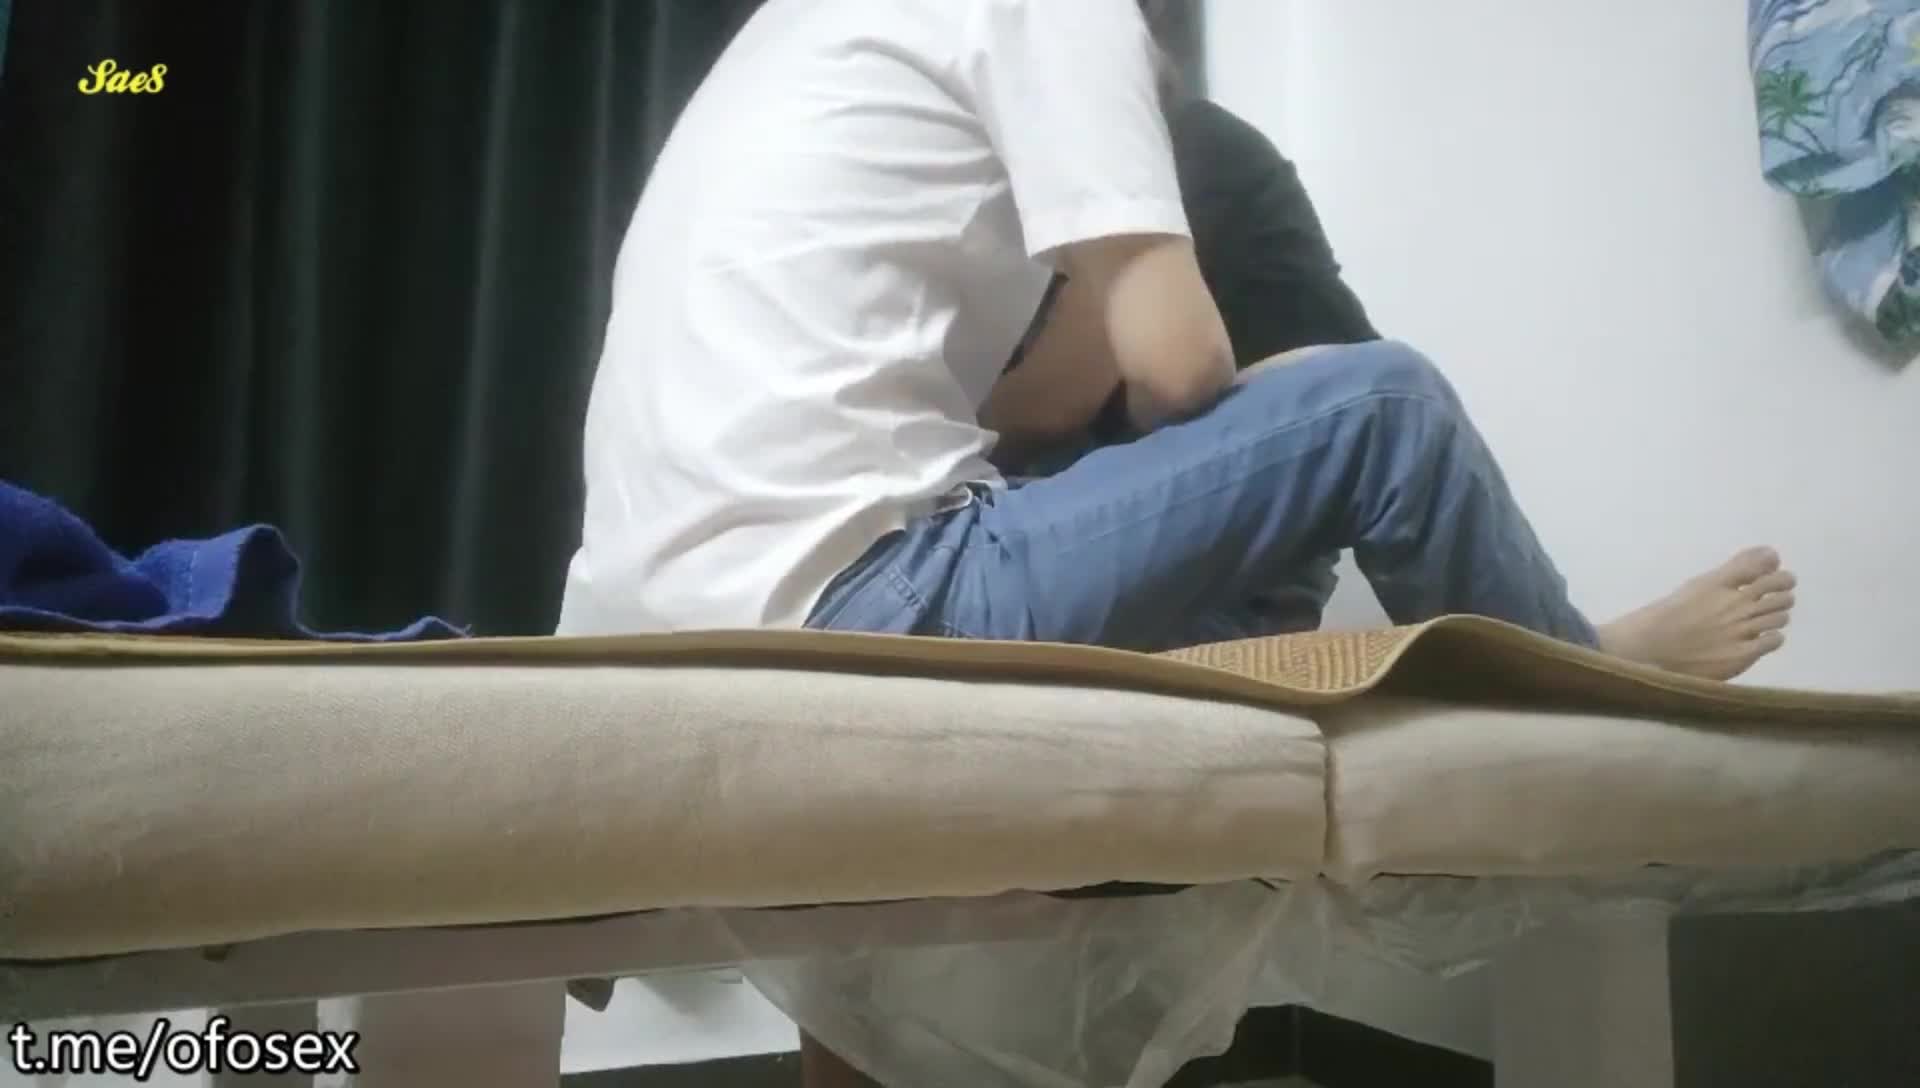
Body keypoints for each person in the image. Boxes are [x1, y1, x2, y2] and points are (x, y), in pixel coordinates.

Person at [557, 0, 1795, 1081]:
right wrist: (1220, 356)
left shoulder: (801, 37)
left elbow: (1033, 409)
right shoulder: (1061, 17)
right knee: (1385, 402)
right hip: (856, 593)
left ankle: (1510, 655)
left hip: (638, 626)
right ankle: (1572, 690)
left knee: (1274, 447)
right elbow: (1179, 363)